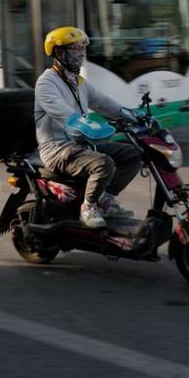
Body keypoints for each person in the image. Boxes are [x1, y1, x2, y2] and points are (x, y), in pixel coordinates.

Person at [35, 26, 142, 229]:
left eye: (82, 50)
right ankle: (88, 208)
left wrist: (134, 115)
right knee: (104, 164)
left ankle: (106, 201)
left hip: (80, 145)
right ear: (59, 52)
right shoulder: (46, 83)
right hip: (58, 149)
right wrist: (97, 128)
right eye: (75, 49)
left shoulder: (78, 81)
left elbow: (103, 103)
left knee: (133, 154)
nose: (81, 55)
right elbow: (67, 117)